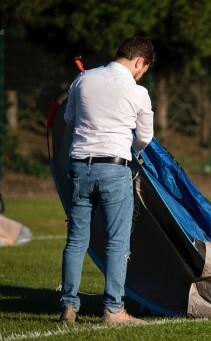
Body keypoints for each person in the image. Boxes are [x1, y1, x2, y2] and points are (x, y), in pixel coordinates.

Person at [60, 36, 155, 324]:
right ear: (139, 62)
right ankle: (113, 309)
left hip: (80, 166)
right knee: (117, 242)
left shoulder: (83, 80)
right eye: (144, 69)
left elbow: (69, 118)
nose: (141, 74)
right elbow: (145, 138)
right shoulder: (139, 92)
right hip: (115, 168)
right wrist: (130, 149)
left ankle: (68, 306)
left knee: (76, 240)